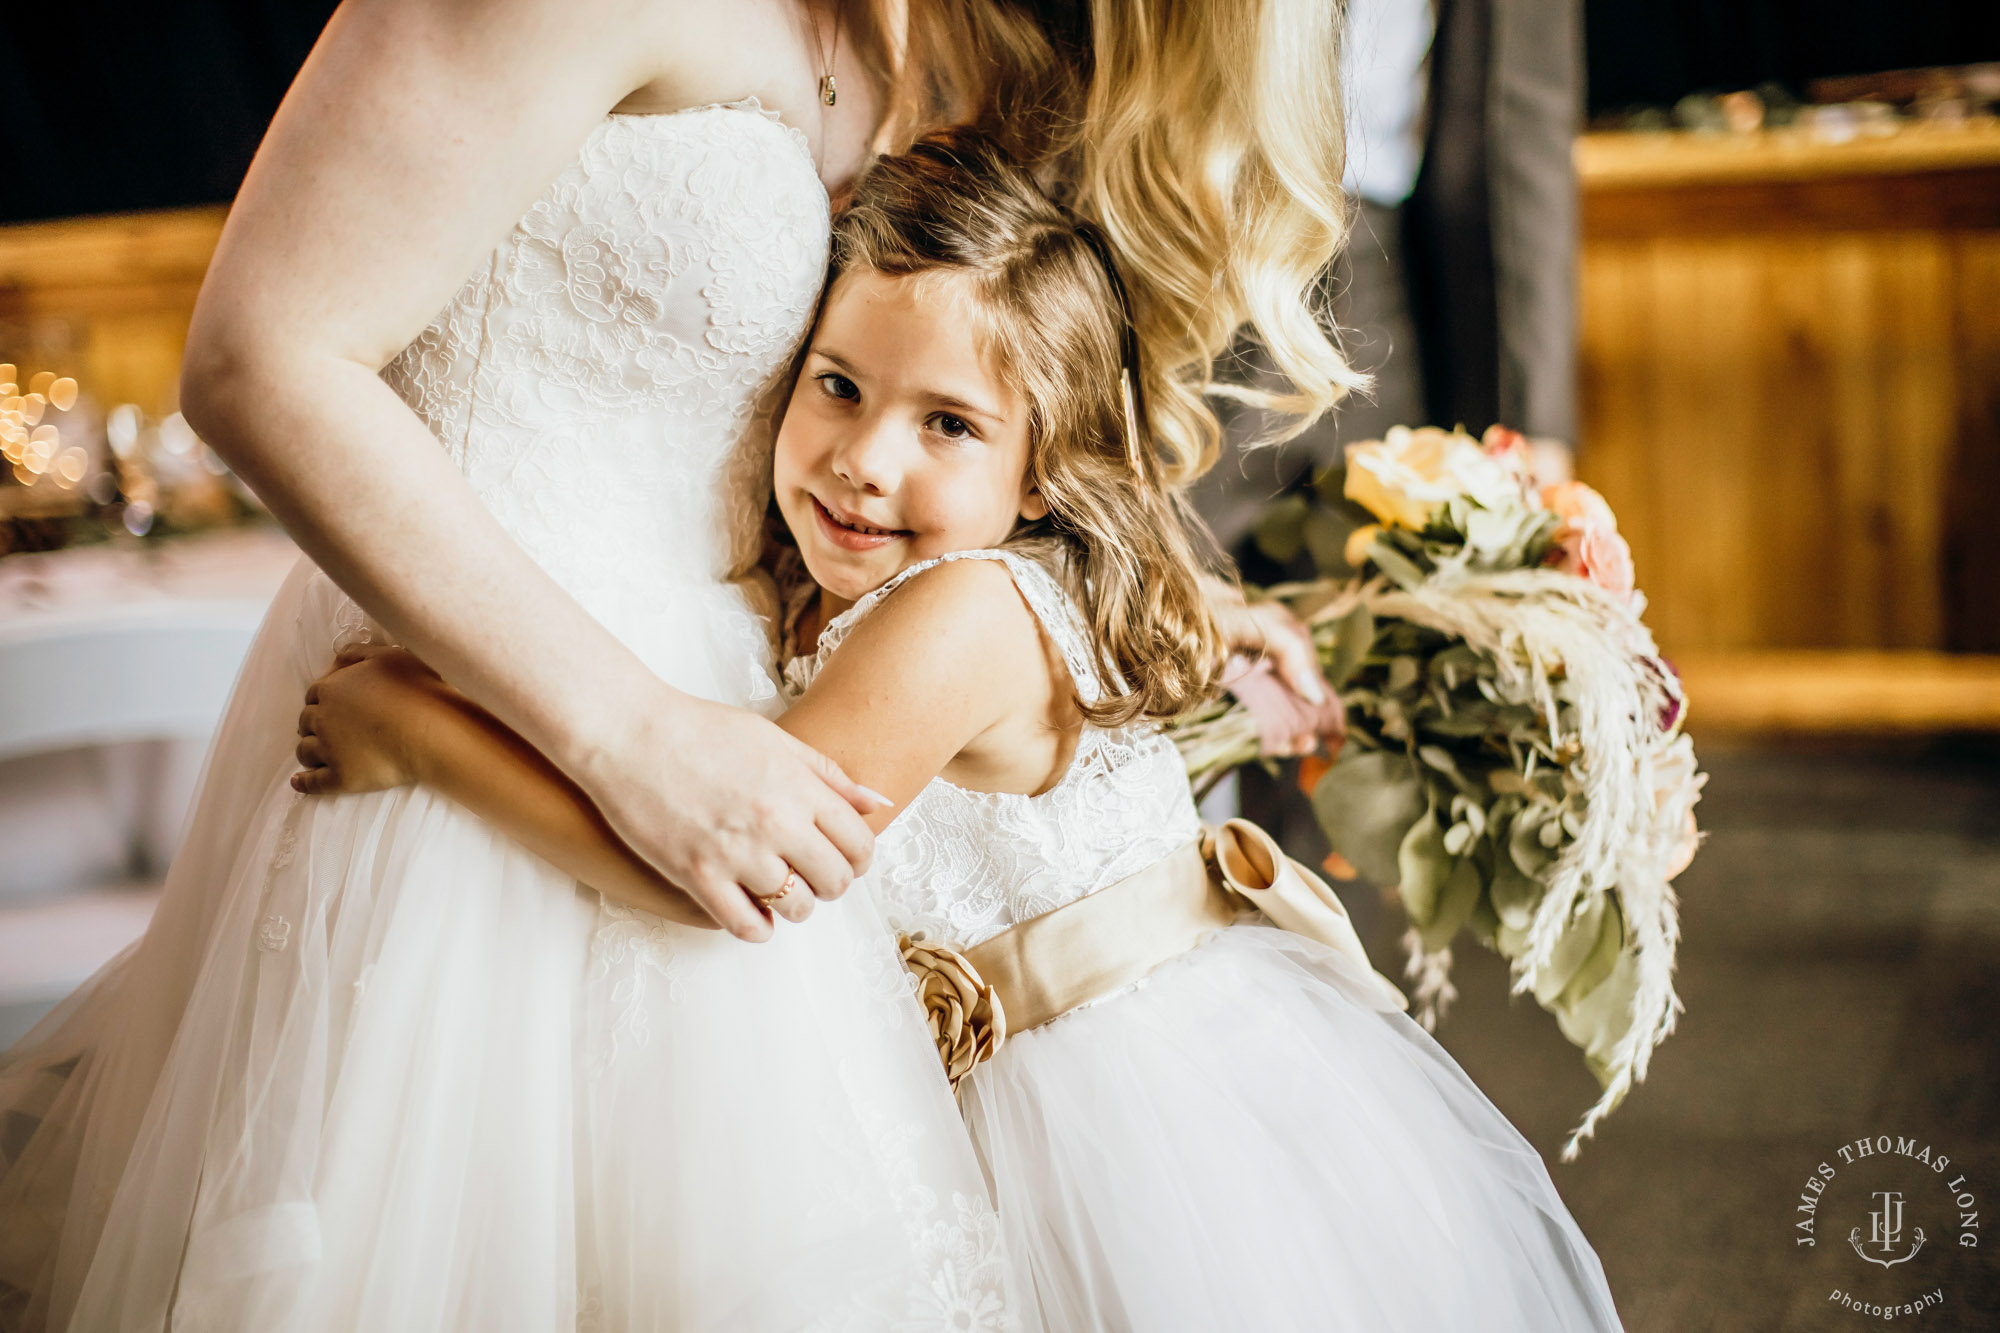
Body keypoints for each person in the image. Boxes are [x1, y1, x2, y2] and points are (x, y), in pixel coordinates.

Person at [0, 2, 1350, 1328]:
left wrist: (1151, 597)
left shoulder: (939, 33)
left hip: (738, 727)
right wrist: (630, 735)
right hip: (494, 717)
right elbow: (256, 356)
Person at [291, 131, 1627, 1333]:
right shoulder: (968, 577)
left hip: (1119, 1130)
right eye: (837, 387)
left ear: (1041, 466)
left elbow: (730, 869)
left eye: (948, 424)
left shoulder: (956, 622)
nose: (869, 457)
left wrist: (422, 737)